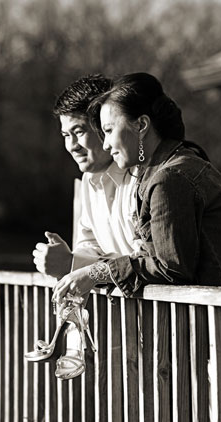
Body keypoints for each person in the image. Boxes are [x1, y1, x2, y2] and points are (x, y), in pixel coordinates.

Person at [53, 72, 221, 304]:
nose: (106, 144)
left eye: (108, 131)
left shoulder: (170, 178)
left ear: (141, 125)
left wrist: (96, 272)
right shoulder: (167, 169)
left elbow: (171, 267)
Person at [28, 75, 141, 380]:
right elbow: (91, 246)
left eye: (78, 132)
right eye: (65, 135)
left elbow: (146, 257)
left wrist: (71, 264)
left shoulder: (142, 178)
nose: (71, 146)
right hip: (129, 339)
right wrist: (68, 259)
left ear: (104, 127)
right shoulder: (87, 184)